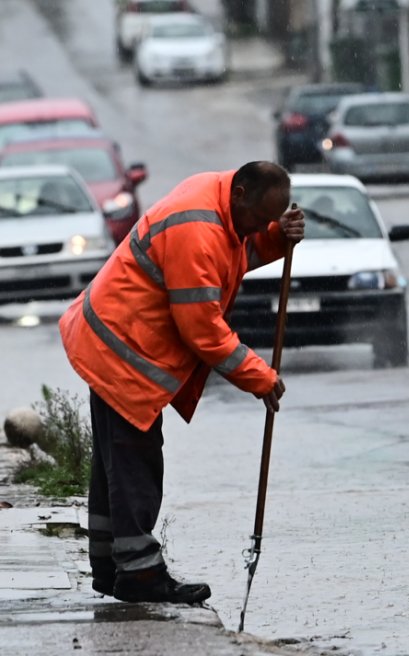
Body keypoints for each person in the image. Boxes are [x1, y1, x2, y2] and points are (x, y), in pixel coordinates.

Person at [58, 162, 305, 604]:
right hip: (123, 350)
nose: (254, 230)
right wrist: (259, 377)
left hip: (114, 340)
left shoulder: (221, 203)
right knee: (136, 463)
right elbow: (202, 329)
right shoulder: (199, 226)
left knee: (115, 463)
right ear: (242, 193)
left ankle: (110, 565)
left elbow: (231, 260)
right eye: (256, 221)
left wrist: (273, 238)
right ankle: (140, 576)